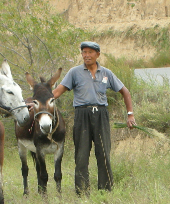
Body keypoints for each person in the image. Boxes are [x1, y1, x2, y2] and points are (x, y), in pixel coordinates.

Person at [52, 41, 136, 195]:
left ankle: (105, 191)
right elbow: (57, 92)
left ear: (98, 54)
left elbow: (125, 92)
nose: (86, 55)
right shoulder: (74, 72)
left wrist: (130, 114)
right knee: (81, 155)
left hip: (101, 115)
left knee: (103, 153)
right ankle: (82, 192)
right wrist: (39, 102)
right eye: (84, 52)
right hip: (82, 115)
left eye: (90, 52)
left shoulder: (106, 73)